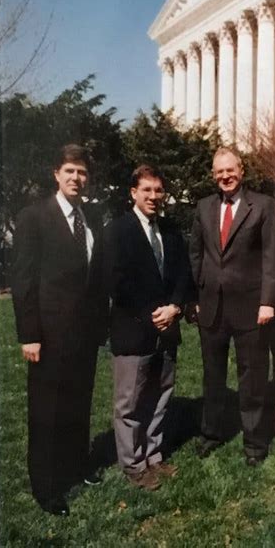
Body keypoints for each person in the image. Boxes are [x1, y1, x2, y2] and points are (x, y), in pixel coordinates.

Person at [11, 144, 107, 516]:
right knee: (47, 411)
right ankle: (46, 486)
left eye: (82, 172)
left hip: (83, 334)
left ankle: (76, 467)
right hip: (48, 335)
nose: (76, 178)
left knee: (77, 404)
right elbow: (22, 280)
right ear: (56, 173)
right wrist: (29, 334)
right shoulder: (34, 217)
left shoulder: (91, 217)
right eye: (70, 170)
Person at [189, 147, 275, 466]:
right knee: (212, 376)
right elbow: (196, 255)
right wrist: (198, 295)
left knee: (252, 377)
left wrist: (268, 302)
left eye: (230, 170)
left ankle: (255, 443)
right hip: (211, 308)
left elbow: (273, 258)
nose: (225, 176)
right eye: (219, 172)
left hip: (250, 307)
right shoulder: (204, 207)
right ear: (213, 175)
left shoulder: (263, 205)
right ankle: (212, 432)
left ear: (241, 170)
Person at [105, 165, 191, 490]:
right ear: (133, 193)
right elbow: (115, 282)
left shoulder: (169, 231)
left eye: (158, 190)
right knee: (129, 403)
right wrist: (150, 313)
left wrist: (175, 307)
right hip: (133, 330)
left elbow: (183, 273)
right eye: (147, 190)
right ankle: (133, 465)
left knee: (160, 395)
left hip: (167, 328)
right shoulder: (117, 231)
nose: (154, 196)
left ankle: (153, 456)